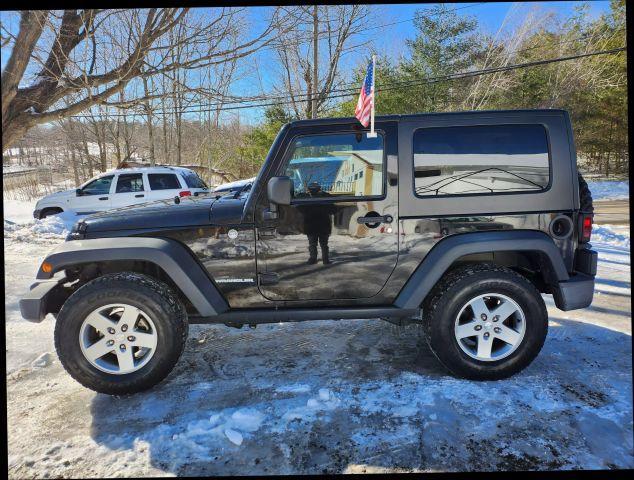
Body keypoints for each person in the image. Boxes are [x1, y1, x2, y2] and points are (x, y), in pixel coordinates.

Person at [298, 182, 337, 265]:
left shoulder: (324, 197)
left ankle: (318, 259)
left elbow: (332, 209)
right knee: (320, 244)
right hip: (317, 225)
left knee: (316, 244)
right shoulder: (307, 197)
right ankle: (320, 259)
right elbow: (333, 209)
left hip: (317, 225)